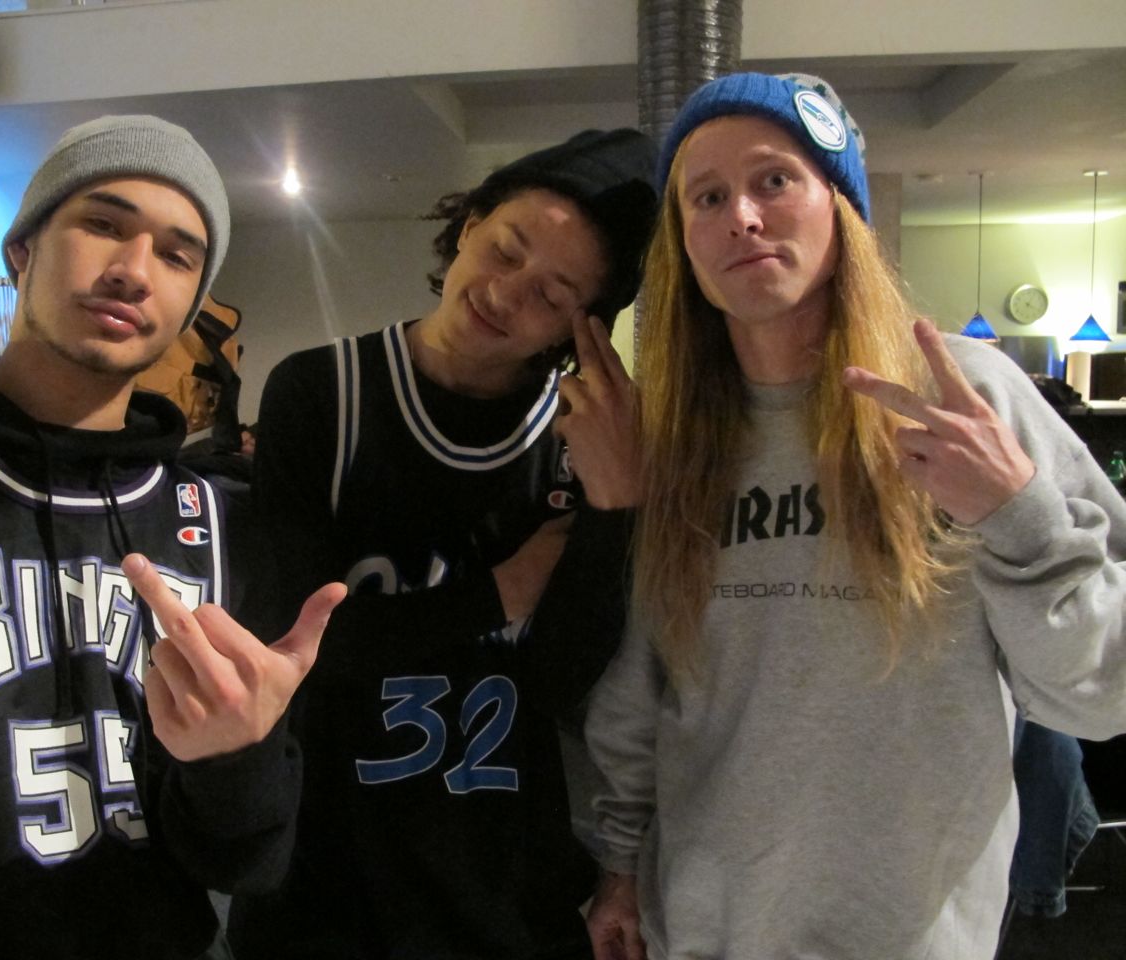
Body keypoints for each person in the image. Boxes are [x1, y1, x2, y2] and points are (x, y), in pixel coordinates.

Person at [582, 72, 1126, 960]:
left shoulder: (963, 397)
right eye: (707, 198)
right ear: (683, 245)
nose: (742, 217)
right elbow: (643, 684)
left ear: (842, 207)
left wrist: (1016, 513)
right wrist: (617, 863)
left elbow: (1103, 696)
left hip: (908, 934)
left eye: (774, 180)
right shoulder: (678, 439)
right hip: (704, 929)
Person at [0, 115, 342, 960]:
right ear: (21, 249)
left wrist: (239, 756)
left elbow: (242, 862)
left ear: (193, 304)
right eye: (104, 224)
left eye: (177, 256)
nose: (133, 271)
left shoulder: (216, 522)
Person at [229, 130, 658, 959]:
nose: (504, 293)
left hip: (501, 882)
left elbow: (564, 681)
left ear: (583, 327)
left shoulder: (581, 440)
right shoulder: (321, 393)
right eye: (505, 249)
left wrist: (615, 508)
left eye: (552, 293)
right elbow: (294, 647)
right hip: (329, 876)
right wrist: (500, 593)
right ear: (468, 225)